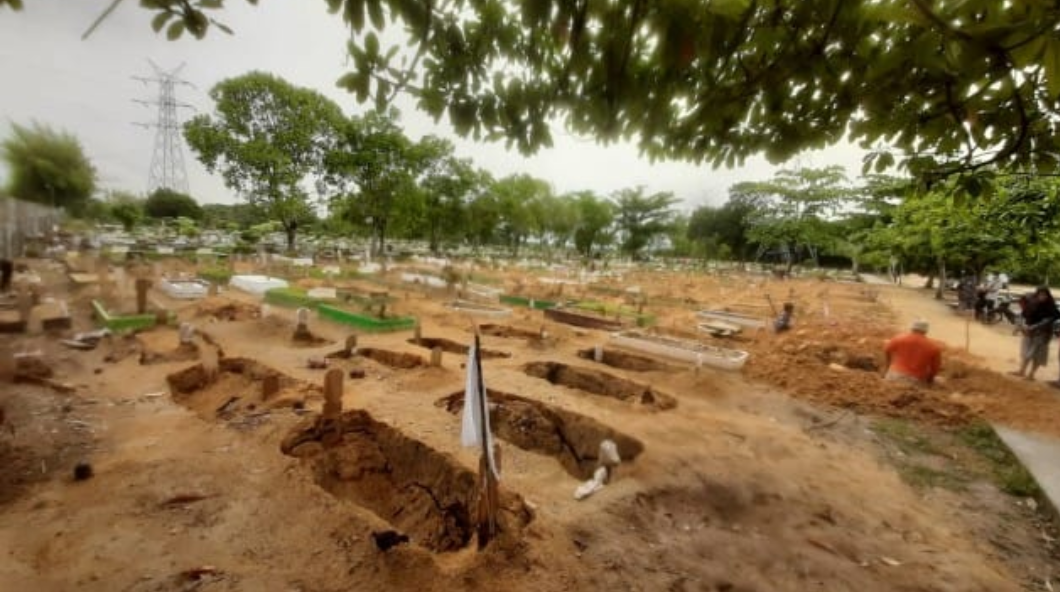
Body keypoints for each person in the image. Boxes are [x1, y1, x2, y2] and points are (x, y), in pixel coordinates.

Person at [1013, 286, 1060, 380]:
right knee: (1026, 352)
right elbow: (1023, 315)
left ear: (1048, 295)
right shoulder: (1032, 304)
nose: (1042, 296)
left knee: (1037, 355)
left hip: (1042, 333)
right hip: (1029, 332)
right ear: (1037, 294)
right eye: (1040, 294)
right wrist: (1022, 326)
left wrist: (1034, 327)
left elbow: (1049, 320)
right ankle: (1022, 370)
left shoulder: (1051, 307)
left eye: (1044, 295)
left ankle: (1031, 374)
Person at [884, 320, 942, 384]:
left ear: (912, 328)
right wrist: (930, 381)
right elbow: (935, 369)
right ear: (926, 331)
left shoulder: (898, 338)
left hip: (892, 376)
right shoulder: (933, 347)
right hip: (914, 380)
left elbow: (887, 350)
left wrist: (888, 366)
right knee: (940, 380)